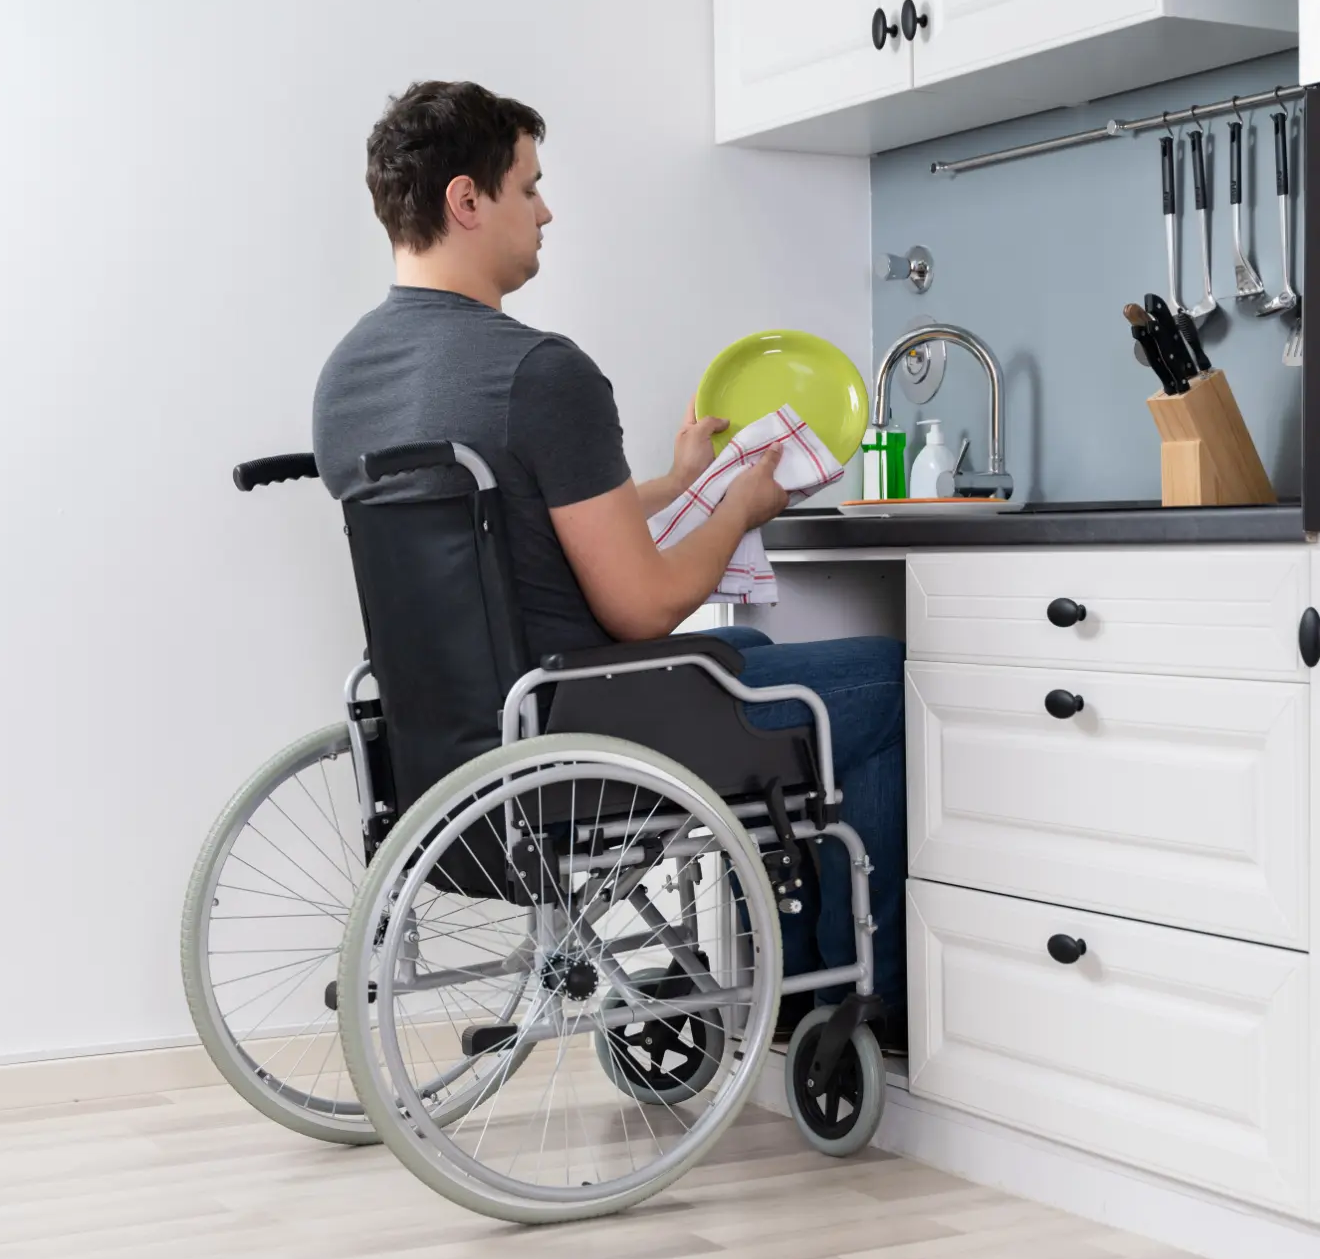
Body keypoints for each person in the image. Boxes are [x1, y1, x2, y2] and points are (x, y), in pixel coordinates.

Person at [310, 80, 905, 1046]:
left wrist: (676, 487)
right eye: (528, 187)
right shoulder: (539, 371)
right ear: (466, 201)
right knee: (881, 675)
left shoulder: (349, 378)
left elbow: (509, 531)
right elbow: (645, 607)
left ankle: (796, 993)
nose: (546, 211)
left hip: (460, 744)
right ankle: (842, 1007)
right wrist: (746, 501)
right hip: (589, 733)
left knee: (756, 666)